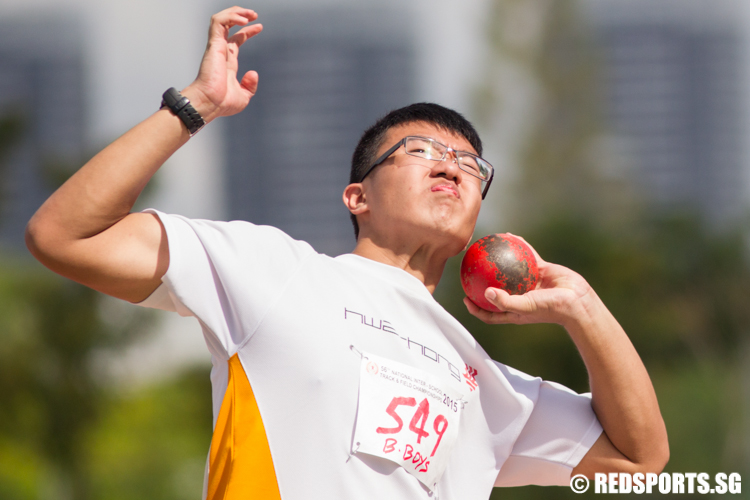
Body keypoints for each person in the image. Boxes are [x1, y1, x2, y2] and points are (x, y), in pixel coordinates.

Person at [25, 6, 668, 500]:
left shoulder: (484, 383)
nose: (451, 164)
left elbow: (642, 463)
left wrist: (584, 308)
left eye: (470, 162)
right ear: (357, 197)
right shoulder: (271, 270)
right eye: (420, 151)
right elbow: (63, 236)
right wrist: (195, 106)